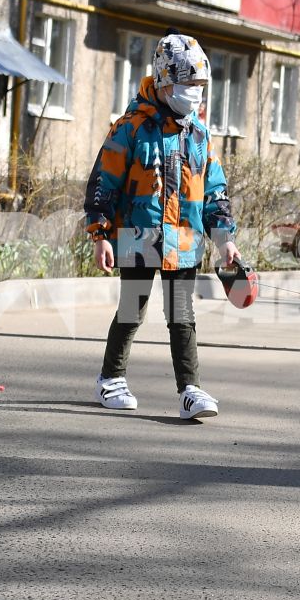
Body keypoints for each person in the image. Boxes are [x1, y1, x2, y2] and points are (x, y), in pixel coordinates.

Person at [83, 33, 242, 419]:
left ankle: (191, 389)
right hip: (139, 236)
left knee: (181, 315)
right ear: (165, 81)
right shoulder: (131, 128)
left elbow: (214, 193)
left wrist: (224, 240)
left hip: (183, 240)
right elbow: (104, 182)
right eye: (188, 84)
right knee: (131, 310)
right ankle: (111, 378)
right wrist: (100, 233)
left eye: (200, 86)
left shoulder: (199, 135)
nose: (195, 94)